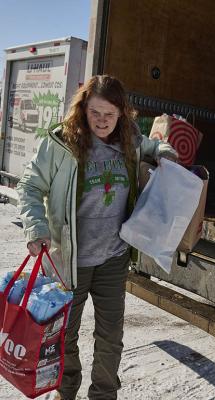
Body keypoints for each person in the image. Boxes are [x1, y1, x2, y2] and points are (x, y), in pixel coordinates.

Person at [17, 75, 178, 400]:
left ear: (121, 113)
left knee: (110, 337)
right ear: (82, 110)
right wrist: (37, 227)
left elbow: (153, 145)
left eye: (110, 114)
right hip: (68, 262)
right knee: (64, 336)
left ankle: (103, 395)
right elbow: (30, 186)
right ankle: (67, 390)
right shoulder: (61, 143)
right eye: (95, 113)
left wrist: (166, 152)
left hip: (113, 259)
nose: (102, 121)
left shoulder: (129, 138)